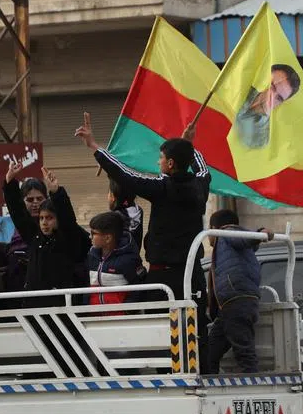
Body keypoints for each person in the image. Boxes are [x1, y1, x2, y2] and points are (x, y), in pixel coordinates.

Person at [74, 112, 211, 337]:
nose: (158, 162)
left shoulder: (162, 187)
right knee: (196, 331)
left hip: (162, 277)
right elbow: (202, 168)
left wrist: (94, 146)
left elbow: (126, 174)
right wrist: (188, 145)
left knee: (160, 332)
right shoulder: (200, 185)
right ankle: (203, 371)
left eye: (160, 158)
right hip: (192, 273)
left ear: (170, 163)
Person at [3, 161, 89, 298]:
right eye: (42, 218)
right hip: (34, 306)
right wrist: (9, 183)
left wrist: (56, 192)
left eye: (49, 218)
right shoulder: (35, 237)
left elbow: (68, 220)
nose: (44, 223)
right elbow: (18, 214)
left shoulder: (66, 238)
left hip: (62, 306)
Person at [205, 209, 272, 374]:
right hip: (230, 305)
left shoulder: (227, 233)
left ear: (214, 227)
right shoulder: (226, 244)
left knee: (244, 351)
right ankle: (211, 388)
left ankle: (254, 389)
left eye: (208, 229)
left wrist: (260, 234)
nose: (207, 235)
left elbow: (244, 238)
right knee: (210, 352)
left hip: (237, 300)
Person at [86, 211, 145, 309]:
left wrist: (127, 311)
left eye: (93, 233)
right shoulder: (91, 256)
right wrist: (86, 308)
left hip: (120, 319)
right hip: (94, 317)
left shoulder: (128, 260)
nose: (90, 236)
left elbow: (138, 287)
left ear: (108, 238)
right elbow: (87, 285)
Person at [235, 63, 301, 149]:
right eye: (272, 86)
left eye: (279, 98)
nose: (272, 97)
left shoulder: (263, 138)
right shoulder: (238, 84)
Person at [2, 177, 48, 291]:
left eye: (39, 198)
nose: (35, 203)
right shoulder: (21, 225)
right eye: (30, 200)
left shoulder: (53, 227)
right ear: (22, 201)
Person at [108, 179, 144, 255]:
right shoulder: (139, 210)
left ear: (113, 197)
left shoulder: (114, 218)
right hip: (135, 259)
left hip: (118, 262)